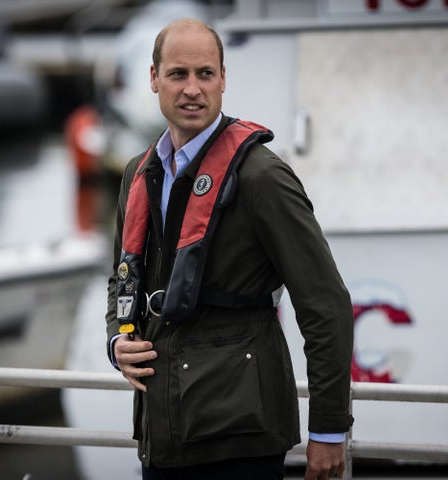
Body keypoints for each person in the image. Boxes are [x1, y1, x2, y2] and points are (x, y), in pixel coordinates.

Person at [105, 18, 354, 480]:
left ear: (224, 79)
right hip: (162, 435)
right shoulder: (138, 175)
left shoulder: (262, 177)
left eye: (205, 74)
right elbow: (120, 281)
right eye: (178, 74)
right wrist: (117, 339)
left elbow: (327, 305)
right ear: (154, 78)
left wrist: (329, 430)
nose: (193, 89)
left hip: (241, 436)